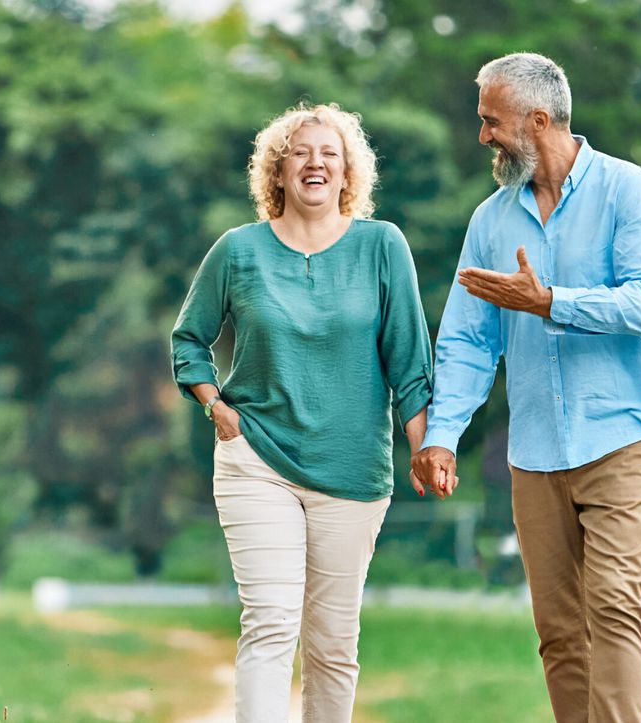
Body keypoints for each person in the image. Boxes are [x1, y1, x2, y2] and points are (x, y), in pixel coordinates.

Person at [411, 53, 641, 723]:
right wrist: (442, 435)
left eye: (490, 122)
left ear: (536, 120)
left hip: (622, 434)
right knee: (559, 630)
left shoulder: (627, 189)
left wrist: (550, 301)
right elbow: (470, 340)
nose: (483, 137)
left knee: (614, 600)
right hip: (535, 451)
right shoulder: (491, 222)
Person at [171, 102, 433, 723]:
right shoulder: (239, 251)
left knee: (333, 645)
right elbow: (189, 338)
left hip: (353, 470)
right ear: (278, 173)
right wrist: (216, 408)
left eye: (330, 154)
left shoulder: (382, 246)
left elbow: (409, 361)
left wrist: (426, 447)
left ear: (348, 175)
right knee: (270, 624)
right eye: (301, 153)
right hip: (256, 457)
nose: (316, 163)